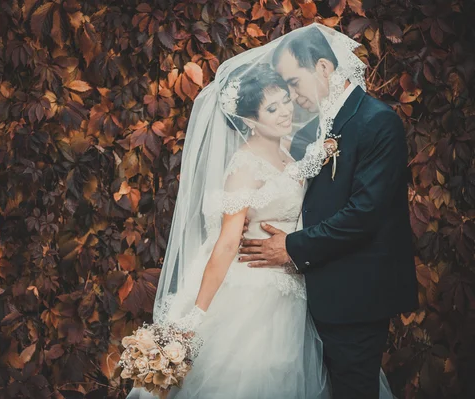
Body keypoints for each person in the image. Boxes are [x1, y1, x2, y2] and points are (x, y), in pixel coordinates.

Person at [124, 24, 400, 399]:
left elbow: (351, 205)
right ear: (250, 120)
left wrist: (295, 245)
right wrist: (195, 319)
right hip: (254, 288)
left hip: (302, 290)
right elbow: (225, 244)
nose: (289, 106)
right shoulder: (244, 167)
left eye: (288, 93)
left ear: (322, 68)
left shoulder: (306, 145)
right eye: (274, 105)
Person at [238, 25, 419, 399]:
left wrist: (292, 246)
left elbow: (363, 215)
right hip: (310, 293)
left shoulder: (377, 122)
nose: (292, 95)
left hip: (356, 296)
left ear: (323, 67)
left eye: (294, 82)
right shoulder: (314, 131)